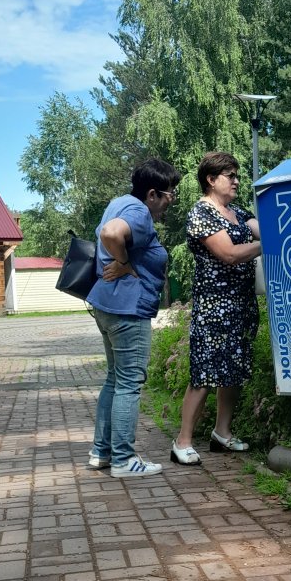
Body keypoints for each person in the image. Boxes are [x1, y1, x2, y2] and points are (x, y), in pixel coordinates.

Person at [87, 156, 181, 478]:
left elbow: (106, 229)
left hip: (106, 305)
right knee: (129, 384)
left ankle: (102, 452)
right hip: (127, 308)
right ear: (152, 193)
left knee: (114, 379)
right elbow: (112, 234)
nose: (170, 202)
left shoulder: (119, 202)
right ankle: (124, 460)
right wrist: (125, 261)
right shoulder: (139, 212)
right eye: (169, 195)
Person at [171, 151, 262, 465]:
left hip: (241, 304)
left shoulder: (237, 211)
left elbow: (261, 229)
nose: (237, 181)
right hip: (214, 307)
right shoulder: (202, 212)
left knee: (233, 371)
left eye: (237, 175)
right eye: (230, 176)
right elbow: (230, 255)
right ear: (211, 180)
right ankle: (182, 441)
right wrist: (273, 242)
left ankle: (221, 433)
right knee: (205, 373)